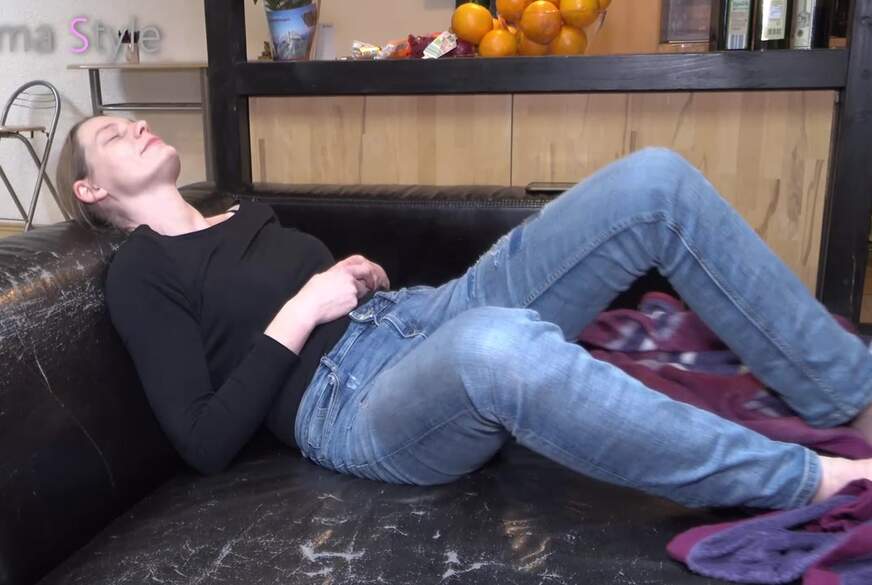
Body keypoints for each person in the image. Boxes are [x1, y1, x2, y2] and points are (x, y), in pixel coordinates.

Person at [56, 114, 872, 511]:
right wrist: (303, 308)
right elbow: (203, 439)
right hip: (353, 406)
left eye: (133, 118)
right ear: (91, 189)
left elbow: (316, 293)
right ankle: (805, 480)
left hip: (417, 316)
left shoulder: (244, 211)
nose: (136, 123)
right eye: (113, 133)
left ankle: (850, 396)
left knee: (653, 181)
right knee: (497, 345)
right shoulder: (141, 272)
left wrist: (358, 276)